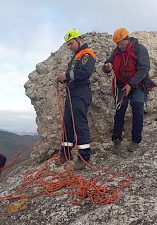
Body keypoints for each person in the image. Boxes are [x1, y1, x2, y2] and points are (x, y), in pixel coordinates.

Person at [102, 27, 156, 153]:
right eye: (117, 44)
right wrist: (107, 67)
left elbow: (144, 68)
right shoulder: (117, 51)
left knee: (137, 110)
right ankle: (116, 140)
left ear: (127, 39)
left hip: (138, 85)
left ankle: (135, 140)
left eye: (121, 43)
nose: (119, 46)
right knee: (119, 111)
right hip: (122, 85)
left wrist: (131, 84)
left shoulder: (139, 49)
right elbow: (107, 64)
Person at [55, 28, 96, 170]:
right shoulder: (76, 56)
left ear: (79, 40)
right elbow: (73, 74)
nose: (69, 46)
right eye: (68, 44)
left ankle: (84, 158)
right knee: (67, 124)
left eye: (71, 43)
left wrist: (66, 75)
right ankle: (65, 154)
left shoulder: (87, 54)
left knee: (80, 124)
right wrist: (64, 78)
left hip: (81, 93)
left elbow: (85, 72)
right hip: (72, 93)